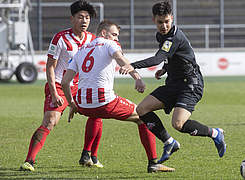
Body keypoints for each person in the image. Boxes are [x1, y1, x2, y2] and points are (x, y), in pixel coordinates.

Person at [61, 19, 175, 173]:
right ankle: (153, 162)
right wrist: (138, 79)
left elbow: (65, 82)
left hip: (83, 105)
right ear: (103, 33)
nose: (117, 39)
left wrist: (72, 104)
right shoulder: (109, 44)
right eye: (114, 35)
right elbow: (122, 60)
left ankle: (86, 154)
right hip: (104, 102)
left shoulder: (81, 50)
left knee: (94, 116)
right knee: (143, 115)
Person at [120, 1, 227, 164]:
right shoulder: (161, 36)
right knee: (142, 109)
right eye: (160, 22)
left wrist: (132, 65)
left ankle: (215, 133)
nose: (163, 25)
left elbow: (158, 57)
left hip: (190, 84)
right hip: (173, 83)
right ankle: (169, 143)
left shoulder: (174, 36)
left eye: (167, 21)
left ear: (172, 18)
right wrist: (165, 68)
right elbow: (172, 55)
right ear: (154, 20)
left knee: (178, 124)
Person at [20, 0, 97, 171]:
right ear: (72, 19)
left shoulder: (92, 39)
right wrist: (54, 93)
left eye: (87, 18)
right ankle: (29, 161)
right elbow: (50, 66)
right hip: (59, 86)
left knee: (98, 113)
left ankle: (89, 155)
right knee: (50, 121)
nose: (84, 21)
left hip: (81, 86)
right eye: (80, 17)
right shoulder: (60, 38)